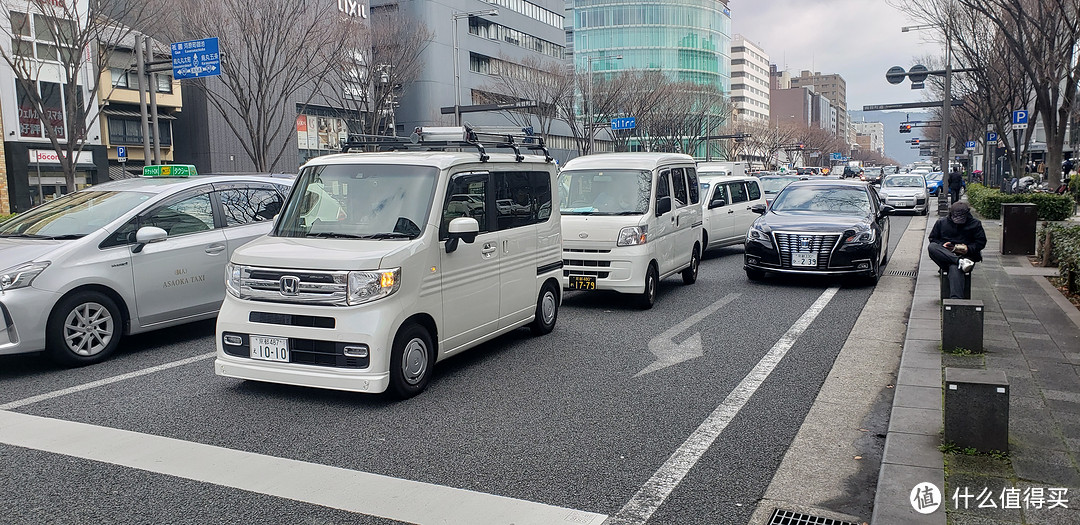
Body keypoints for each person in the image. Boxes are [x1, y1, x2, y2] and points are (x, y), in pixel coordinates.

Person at [928, 202, 987, 299]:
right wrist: (942, 245)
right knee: (932, 247)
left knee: (955, 268)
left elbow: (981, 242)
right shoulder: (941, 222)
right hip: (945, 256)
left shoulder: (975, 224)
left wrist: (968, 248)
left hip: (967, 258)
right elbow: (933, 239)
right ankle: (959, 261)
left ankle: (956, 301)